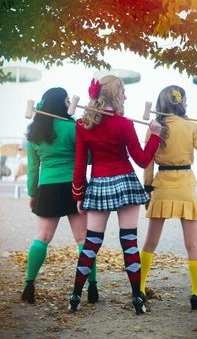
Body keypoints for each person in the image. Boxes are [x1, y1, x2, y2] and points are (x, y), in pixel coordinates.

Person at [69, 75, 162, 315]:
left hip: (99, 185)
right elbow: (142, 160)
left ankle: (75, 296)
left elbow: (80, 166)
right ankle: (137, 299)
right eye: (123, 92)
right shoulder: (124, 124)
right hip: (125, 183)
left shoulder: (83, 125)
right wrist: (155, 135)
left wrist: (79, 194)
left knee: (91, 243)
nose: (126, 96)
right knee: (129, 242)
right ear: (114, 96)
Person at [140, 85, 197, 310]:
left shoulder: (155, 128)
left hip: (162, 187)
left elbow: (147, 163)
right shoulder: (192, 126)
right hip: (186, 187)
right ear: (181, 102)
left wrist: (147, 189)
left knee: (150, 242)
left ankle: (139, 289)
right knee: (192, 244)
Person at [21, 87, 98, 304]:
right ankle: (92, 287)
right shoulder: (73, 128)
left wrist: (32, 193)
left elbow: (33, 168)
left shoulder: (33, 133)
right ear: (63, 104)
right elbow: (89, 158)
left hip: (47, 188)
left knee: (42, 237)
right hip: (76, 186)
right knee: (84, 239)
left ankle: (29, 284)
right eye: (67, 101)